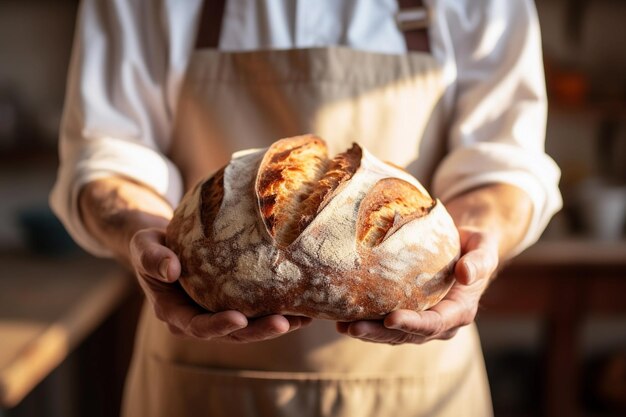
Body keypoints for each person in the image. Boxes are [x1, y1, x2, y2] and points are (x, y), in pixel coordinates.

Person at [50, 0, 562, 416]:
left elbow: (504, 163)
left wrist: (479, 239)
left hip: (420, 385)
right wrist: (141, 229)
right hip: (200, 372)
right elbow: (108, 152)